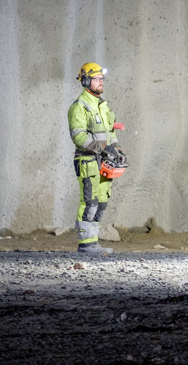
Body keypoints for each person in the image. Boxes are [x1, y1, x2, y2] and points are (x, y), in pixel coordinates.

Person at [68, 62, 122, 255]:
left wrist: (117, 149)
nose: (101, 82)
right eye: (97, 79)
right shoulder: (79, 106)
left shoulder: (102, 106)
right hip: (88, 161)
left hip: (103, 162)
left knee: (102, 202)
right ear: (85, 81)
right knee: (89, 201)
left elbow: (109, 132)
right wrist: (104, 148)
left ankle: (94, 242)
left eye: (102, 78)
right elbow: (79, 137)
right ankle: (86, 244)